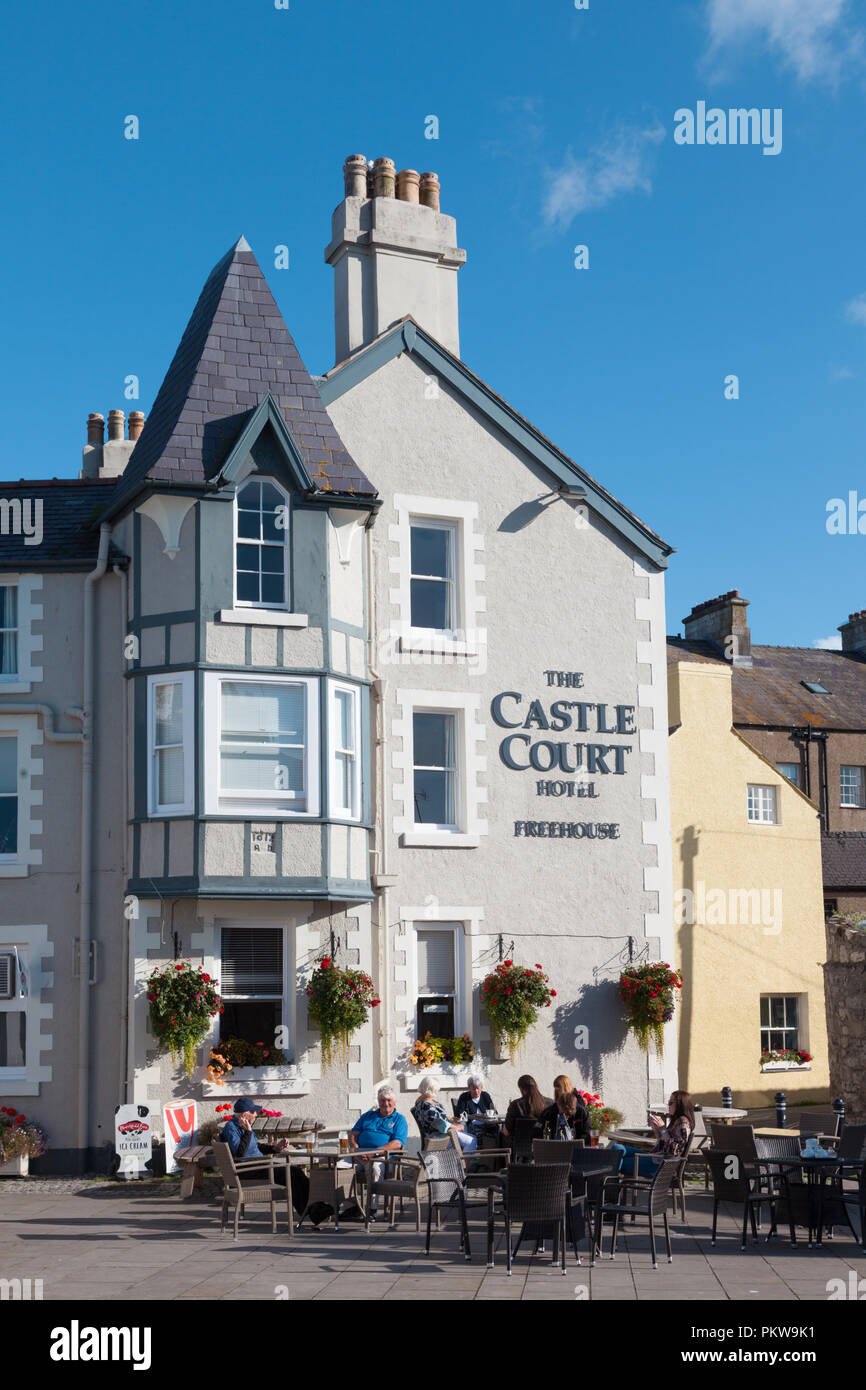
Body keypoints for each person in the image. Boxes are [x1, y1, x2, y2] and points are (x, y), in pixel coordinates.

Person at [218, 1097, 311, 1216]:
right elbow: (240, 1153)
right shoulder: (231, 1128)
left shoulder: (242, 1126)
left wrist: (275, 1148)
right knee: (292, 1173)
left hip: (258, 1166)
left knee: (296, 1172)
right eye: (253, 1112)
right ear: (244, 1115)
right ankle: (309, 1211)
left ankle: (311, 1209)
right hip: (248, 1170)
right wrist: (248, 1132)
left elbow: (255, 1146)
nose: (256, 1114)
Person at [609, 1090, 695, 1179]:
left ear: (680, 1104)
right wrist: (657, 1129)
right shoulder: (676, 1120)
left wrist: (663, 1129)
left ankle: (611, 1188)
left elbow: (676, 1150)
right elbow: (663, 1143)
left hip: (661, 1166)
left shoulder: (683, 1123)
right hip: (656, 1157)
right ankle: (612, 1187)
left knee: (617, 1162)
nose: (668, 1105)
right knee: (617, 1148)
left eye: (670, 1102)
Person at [412, 1077, 477, 1151]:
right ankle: (463, 1162)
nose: (437, 1092)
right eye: (436, 1090)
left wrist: (449, 1118)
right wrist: (457, 1127)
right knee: (471, 1140)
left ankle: (461, 1158)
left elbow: (435, 1117)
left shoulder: (422, 1101)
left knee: (464, 1129)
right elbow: (441, 1125)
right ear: (432, 1090)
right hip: (440, 1137)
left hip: (441, 1133)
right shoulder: (426, 1106)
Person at [349, 1084, 409, 1154]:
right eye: (382, 1100)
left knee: (374, 1165)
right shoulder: (367, 1115)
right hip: (359, 1154)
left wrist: (374, 1153)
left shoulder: (399, 1119)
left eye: (389, 1100)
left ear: (394, 1102)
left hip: (382, 1157)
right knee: (339, 1165)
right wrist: (354, 1147)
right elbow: (353, 1134)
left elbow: (397, 1143)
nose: (386, 1104)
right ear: (378, 1102)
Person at [502, 1075, 552, 1141]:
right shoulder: (550, 1103)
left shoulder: (515, 1105)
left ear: (521, 1089)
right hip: (543, 1146)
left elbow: (506, 1132)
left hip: (519, 1147)